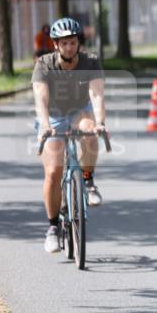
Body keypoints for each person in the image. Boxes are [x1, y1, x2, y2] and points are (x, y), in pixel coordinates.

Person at [32, 17, 107, 253]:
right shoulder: (44, 64)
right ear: (56, 45)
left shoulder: (90, 62)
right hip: (52, 115)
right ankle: (53, 228)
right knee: (53, 172)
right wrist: (45, 124)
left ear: (78, 43)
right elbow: (41, 98)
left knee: (89, 130)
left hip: (78, 110)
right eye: (63, 43)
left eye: (72, 42)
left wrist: (101, 122)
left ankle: (88, 179)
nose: (69, 47)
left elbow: (96, 95)